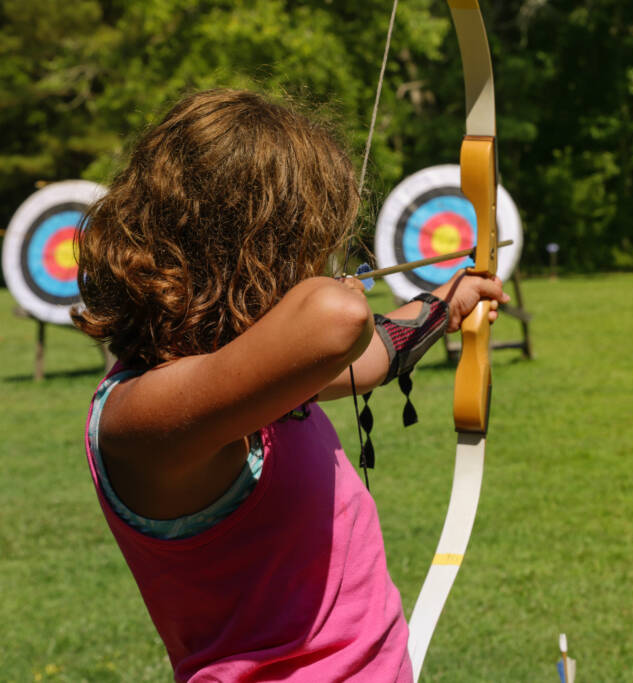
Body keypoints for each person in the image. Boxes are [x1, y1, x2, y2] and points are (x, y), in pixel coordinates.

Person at [72, 89, 508, 682]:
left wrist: (444, 302)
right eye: (309, 243)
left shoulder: (244, 378)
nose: (323, 259)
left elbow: (368, 353)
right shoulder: (143, 416)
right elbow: (338, 320)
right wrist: (335, 290)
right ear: (258, 249)